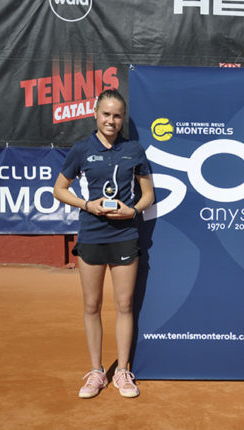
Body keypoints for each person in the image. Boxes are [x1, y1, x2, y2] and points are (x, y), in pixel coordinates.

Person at [53, 89, 154, 399]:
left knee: (124, 306)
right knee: (91, 306)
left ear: (123, 118)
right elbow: (59, 189)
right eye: (106, 114)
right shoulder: (82, 149)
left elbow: (149, 195)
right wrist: (87, 205)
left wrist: (133, 210)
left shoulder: (134, 150)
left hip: (125, 236)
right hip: (92, 236)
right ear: (95, 114)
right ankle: (97, 371)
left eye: (117, 115)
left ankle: (122, 371)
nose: (111, 120)